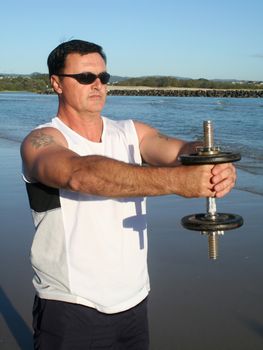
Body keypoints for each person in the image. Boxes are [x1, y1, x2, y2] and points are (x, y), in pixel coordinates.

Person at [21, 39, 236, 350]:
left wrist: (213, 160)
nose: (97, 85)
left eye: (103, 78)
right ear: (56, 83)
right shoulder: (40, 141)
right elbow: (80, 174)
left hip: (134, 304)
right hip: (71, 307)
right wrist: (178, 182)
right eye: (85, 78)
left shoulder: (131, 132)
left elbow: (180, 151)